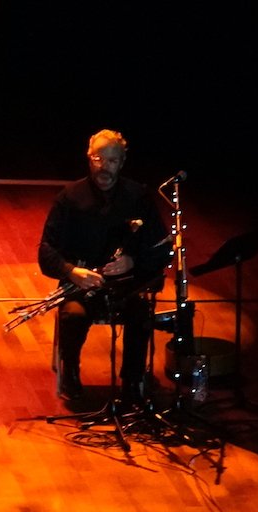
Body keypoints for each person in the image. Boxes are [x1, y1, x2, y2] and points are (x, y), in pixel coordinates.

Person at [36, 129, 167, 404]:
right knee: (73, 315)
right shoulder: (69, 198)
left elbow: (160, 247)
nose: (104, 167)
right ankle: (70, 373)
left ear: (122, 162)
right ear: (89, 157)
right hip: (82, 284)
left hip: (125, 286)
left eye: (112, 161)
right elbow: (46, 250)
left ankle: (131, 380)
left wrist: (133, 261)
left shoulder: (138, 197)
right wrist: (71, 271)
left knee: (141, 315)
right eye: (98, 159)